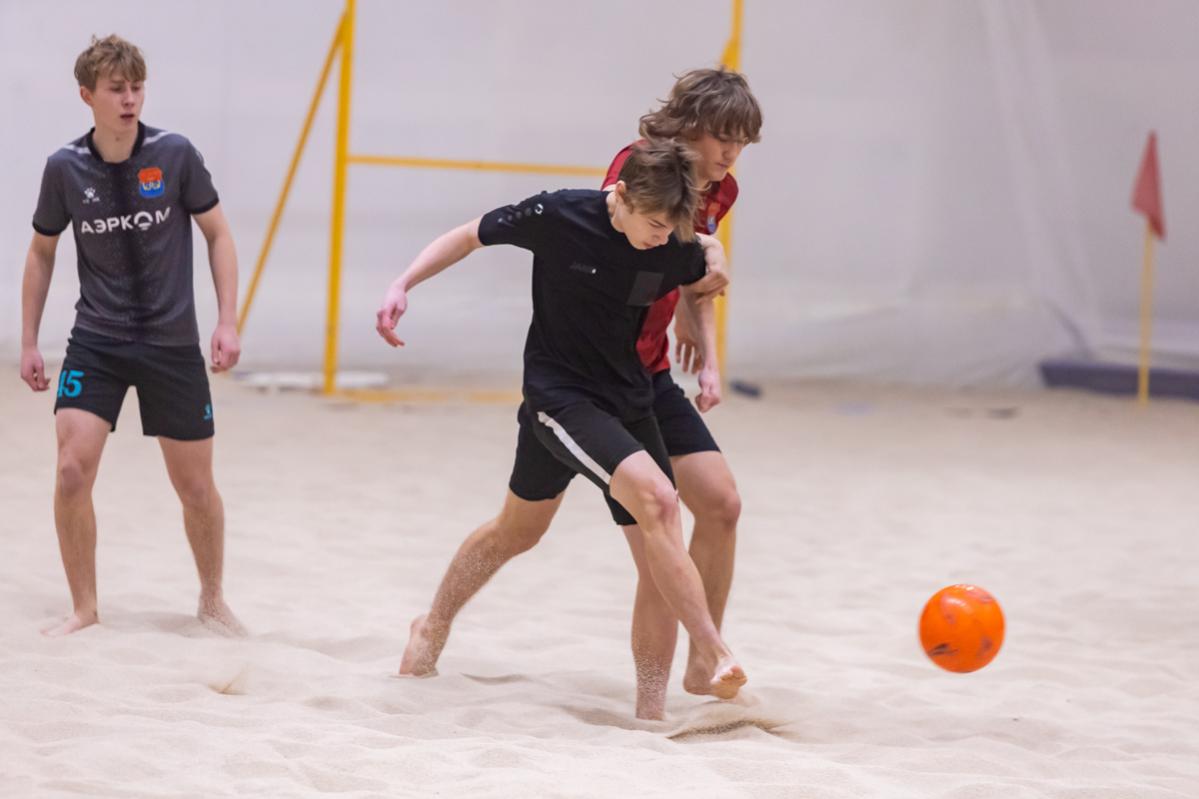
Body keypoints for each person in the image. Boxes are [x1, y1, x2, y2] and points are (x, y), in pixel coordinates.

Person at [395, 69, 762, 718]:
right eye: (722, 137)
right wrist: (695, 262)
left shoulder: (718, 190)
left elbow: (683, 263)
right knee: (522, 530)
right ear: (688, 128)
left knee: (712, 507)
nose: (731, 153)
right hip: (576, 386)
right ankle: (434, 622)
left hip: (641, 380)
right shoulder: (627, 181)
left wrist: (699, 311)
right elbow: (622, 249)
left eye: (742, 141)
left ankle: (677, 686)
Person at [20, 35, 245, 637]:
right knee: (71, 471)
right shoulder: (65, 167)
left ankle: (212, 599)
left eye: (137, 88)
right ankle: (85, 608)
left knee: (195, 487)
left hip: (172, 344)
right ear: (86, 95)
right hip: (97, 341)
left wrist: (227, 320)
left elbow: (218, 234)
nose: (129, 99)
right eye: (116, 89)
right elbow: (41, 251)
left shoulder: (175, 154)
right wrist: (29, 340)